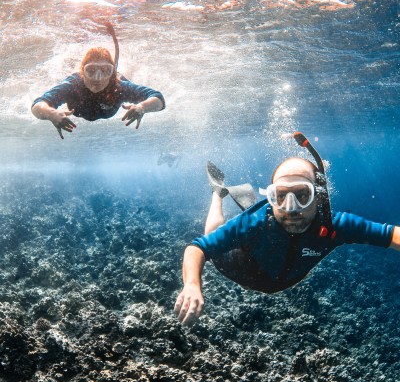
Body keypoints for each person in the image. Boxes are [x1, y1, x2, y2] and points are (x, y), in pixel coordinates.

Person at [174, 132, 400, 326]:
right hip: (239, 268)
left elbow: (391, 235)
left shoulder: (333, 226)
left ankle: (250, 202)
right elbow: (197, 247)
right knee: (213, 236)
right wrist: (192, 284)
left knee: (244, 225)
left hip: (280, 276)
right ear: (271, 197)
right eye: (280, 196)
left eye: (302, 195)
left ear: (319, 196)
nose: (291, 209)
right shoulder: (255, 222)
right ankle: (218, 194)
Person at [31, 23, 165, 139]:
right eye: (91, 70)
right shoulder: (73, 85)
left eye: (106, 70)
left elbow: (158, 99)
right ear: (83, 71)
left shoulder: (119, 86)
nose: (98, 78)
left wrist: (142, 107)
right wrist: (51, 114)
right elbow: (38, 105)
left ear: (111, 73)